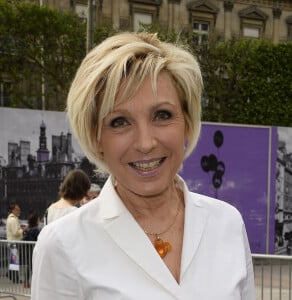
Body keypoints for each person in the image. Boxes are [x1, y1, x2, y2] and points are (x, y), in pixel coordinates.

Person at [31, 32, 255, 299]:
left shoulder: (227, 223)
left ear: (186, 122)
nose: (146, 143)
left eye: (162, 115)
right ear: (96, 137)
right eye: (120, 122)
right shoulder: (63, 244)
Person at [6, 202, 27, 283]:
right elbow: (15, 232)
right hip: (14, 243)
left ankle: (11, 275)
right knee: (15, 261)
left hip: (13, 243)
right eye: (17, 209)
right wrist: (23, 230)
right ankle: (14, 277)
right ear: (13, 210)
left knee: (14, 261)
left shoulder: (11, 219)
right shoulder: (13, 219)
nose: (19, 211)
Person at [20, 212, 40, 288]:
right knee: (33, 267)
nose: (39, 220)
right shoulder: (35, 230)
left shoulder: (30, 229)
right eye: (38, 219)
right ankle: (32, 283)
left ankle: (26, 282)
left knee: (29, 267)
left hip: (28, 250)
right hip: (33, 250)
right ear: (35, 221)